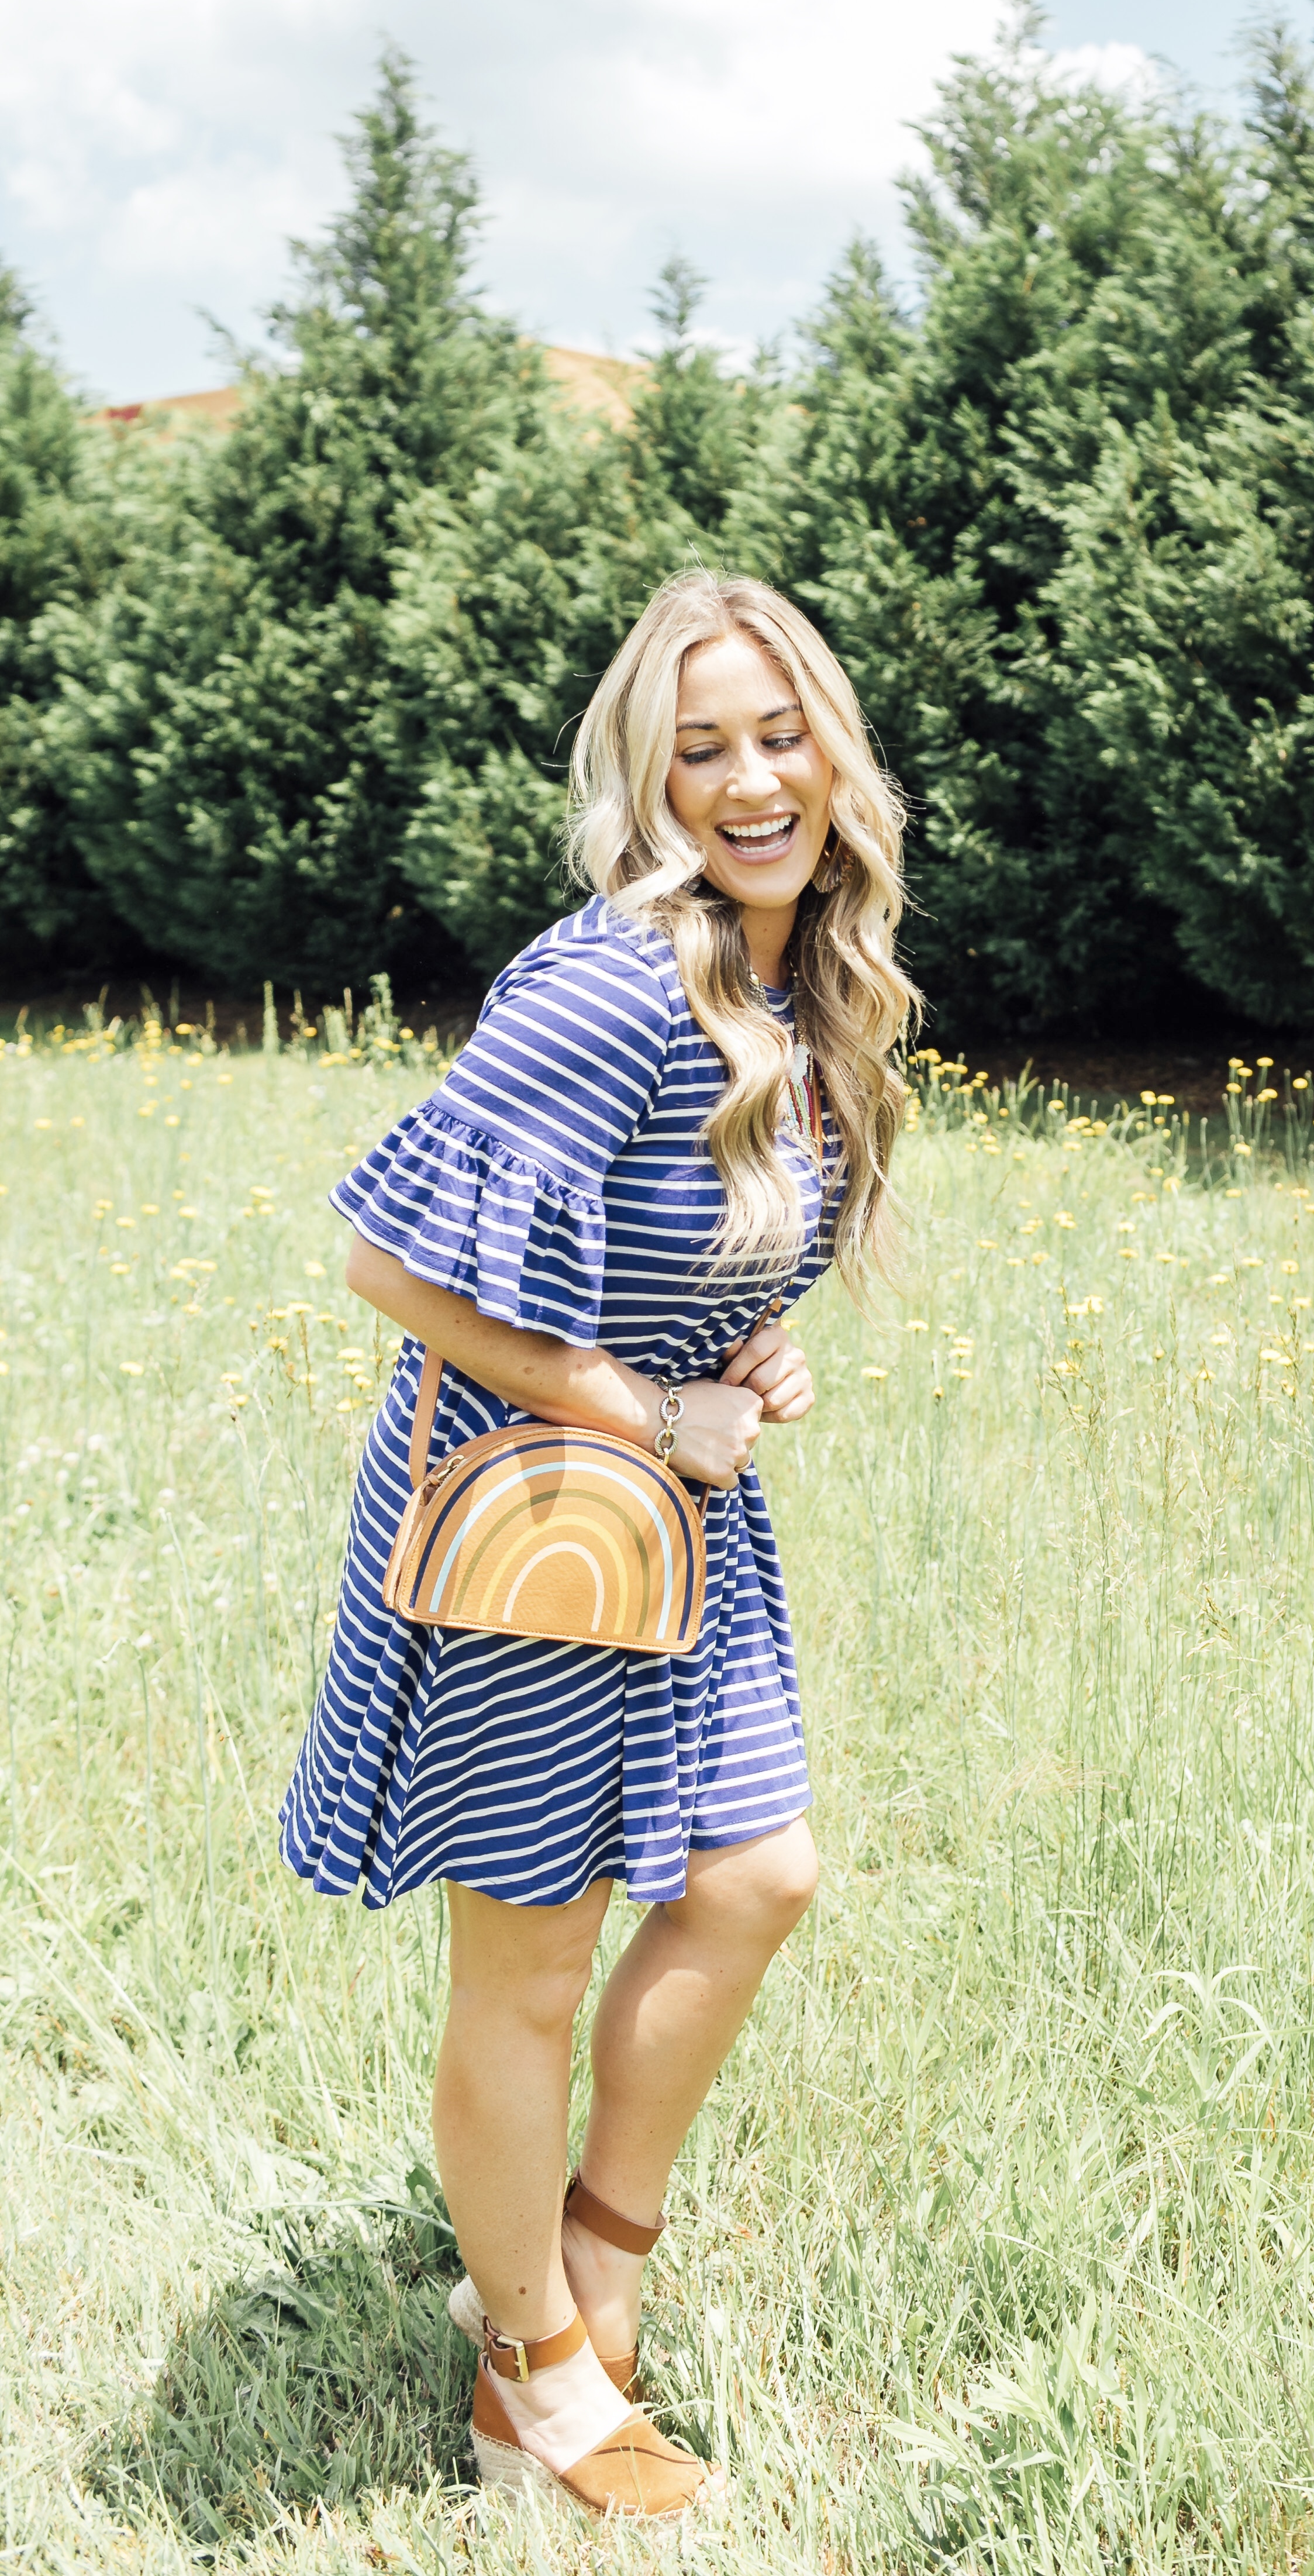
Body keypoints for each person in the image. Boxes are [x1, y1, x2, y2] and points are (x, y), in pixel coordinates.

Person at [280, 571, 913, 2524]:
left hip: (679, 1531)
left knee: (754, 1879)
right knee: (530, 1967)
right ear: (648, 780)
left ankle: (586, 2273)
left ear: (835, 754)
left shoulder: (797, 981)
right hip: (545, 1538)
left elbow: (688, 1232)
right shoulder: (618, 979)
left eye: (777, 734)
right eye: (698, 747)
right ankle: (533, 2373)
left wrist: (755, 1346)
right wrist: (650, 1409)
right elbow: (388, 1251)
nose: (747, 779)